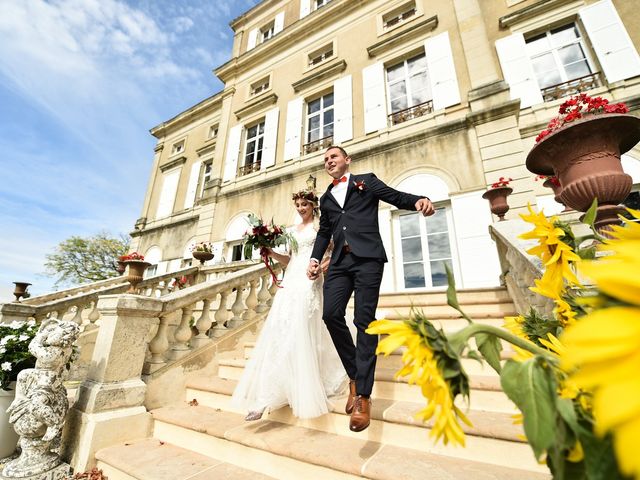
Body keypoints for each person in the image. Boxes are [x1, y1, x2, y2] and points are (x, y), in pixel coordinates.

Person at [307, 145, 434, 432]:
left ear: (346, 160)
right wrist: (315, 259)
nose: (329, 161)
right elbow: (324, 232)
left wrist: (418, 201)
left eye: (334, 157)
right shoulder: (325, 198)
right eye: (326, 159)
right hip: (339, 262)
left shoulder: (367, 181)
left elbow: (394, 196)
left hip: (368, 260)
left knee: (364, 321)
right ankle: (354, 374)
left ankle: (363, 395)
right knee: (331, 314)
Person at [231, 189, 347, 421]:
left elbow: (334, 255)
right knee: (281, 331)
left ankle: (302, 384)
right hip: (291, 281)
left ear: (313, 205)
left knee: (302, 329)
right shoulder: (293, 231)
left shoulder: (320, 228)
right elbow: (290, 259)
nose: (301, 208)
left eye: (304, 204)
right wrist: (271, 252)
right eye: (298, 205)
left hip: (310, 281)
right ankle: (266, 396)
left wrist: (321, 268)